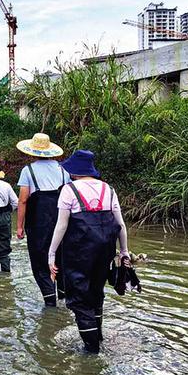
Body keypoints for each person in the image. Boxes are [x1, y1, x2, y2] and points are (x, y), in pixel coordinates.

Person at [47, 150, 130, 354]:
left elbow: (61, 226)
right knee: (96, 291)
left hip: (79, 252)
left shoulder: (69, 190)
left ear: (74, 171)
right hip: (105, 251)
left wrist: (51, 254)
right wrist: (124, 252)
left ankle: (91, 351)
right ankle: (98, 336)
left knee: (79, 298)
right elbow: (120, 224)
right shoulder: (109, 189)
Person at [15, 132, 70, 306]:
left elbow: (23, 200)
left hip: (38, 226)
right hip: (62, 222)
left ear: (32, 151)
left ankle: (50, 302)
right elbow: (69, 197)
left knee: (40, 262)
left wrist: (19, 227)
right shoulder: (64, 170)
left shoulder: (28, 170)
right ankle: (63, 296)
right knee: (61, 257)